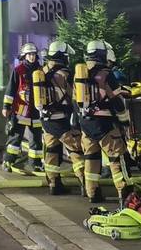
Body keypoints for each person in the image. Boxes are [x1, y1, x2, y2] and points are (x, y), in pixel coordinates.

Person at [78, 40, 132, 203]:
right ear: (102, 54)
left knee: (91, 159)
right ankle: (125, 193)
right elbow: (116, 101)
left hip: (86, 123)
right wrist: (124, 121)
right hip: (105, 123)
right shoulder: (106, 74)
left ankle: (92, 193)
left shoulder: (80, 73)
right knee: (117, 157)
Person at [39, 41, 81, 195]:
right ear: (62, 56)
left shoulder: (41, 71)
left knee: (52, 151)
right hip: (62, 119)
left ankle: (54, 185)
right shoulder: (66, 74)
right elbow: (74, 96)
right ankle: (86, 185)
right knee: (76, 150)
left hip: (46, 120)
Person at [2, 43, 45, 173]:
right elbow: (11, 89)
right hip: (21, 110)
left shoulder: (41, 70)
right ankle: (8, 161)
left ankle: (35, 163)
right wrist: (6, 106)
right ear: (24, 56)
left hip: (36, 111)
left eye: (33, 54)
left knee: (36, 139)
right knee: (15, 138)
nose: (32, 57)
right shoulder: (18, 70)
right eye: (29, 54)